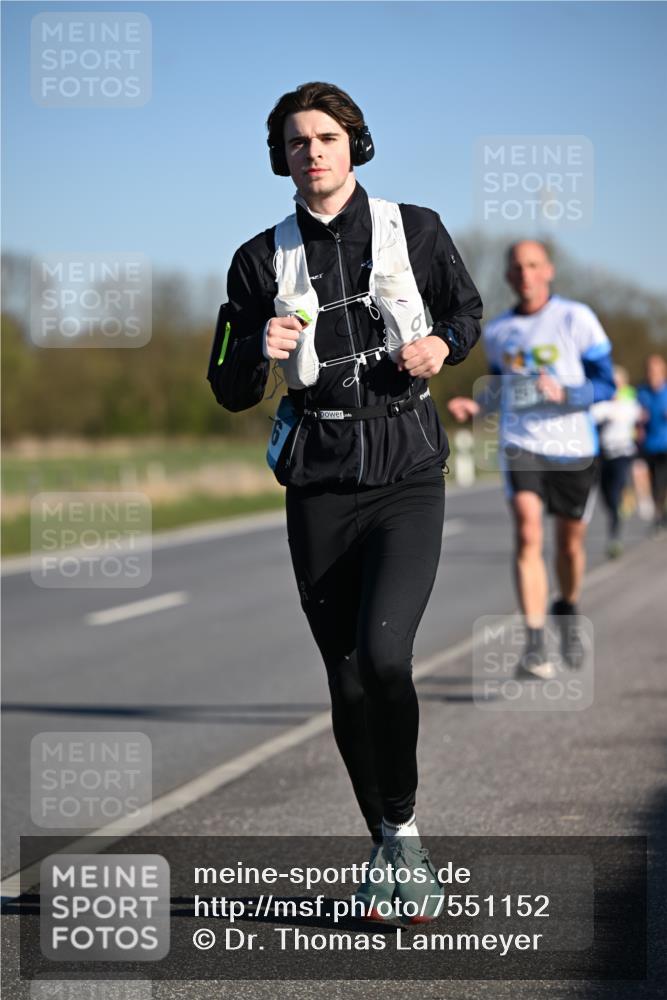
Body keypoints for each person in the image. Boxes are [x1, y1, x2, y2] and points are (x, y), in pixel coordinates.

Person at [207, 82, 482, 922]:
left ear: (353, 144)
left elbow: (466, 312)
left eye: (326, 137)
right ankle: (388, 845)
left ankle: (401, 831)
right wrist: (256, 346)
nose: (312, 152)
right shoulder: (260, 258)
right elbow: (225, 383)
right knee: (348, 677)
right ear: (281, 158)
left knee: (386, 656)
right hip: (320, 481)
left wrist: (441, 344)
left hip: (405, 471)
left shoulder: (417, 228)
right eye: (296, 142)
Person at [448, 241, 615, 680]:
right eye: (517, 267)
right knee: (527, 532)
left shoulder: (575, 318)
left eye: (533, 265)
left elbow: (608, 384)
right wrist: (477, 405)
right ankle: (536, 642)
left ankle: (568, 605)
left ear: (548, 271)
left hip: (575, 448)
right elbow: (502, 387)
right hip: (522, 443)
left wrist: (571, 394)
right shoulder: (500, 331)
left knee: (569, 546)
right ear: (508, 276)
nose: (525, 273)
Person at [591, 366, 642, 558]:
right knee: (606, 497)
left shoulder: (630, 404)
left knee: (615, 491)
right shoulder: (601, 405)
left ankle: (615, 536)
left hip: (623, 453)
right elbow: (592, 417)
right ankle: (619, 503)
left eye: (618, 382)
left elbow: (638, 416)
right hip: (604, 455)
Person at [637, 354, 667, 532]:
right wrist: (639, 421)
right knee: (656, 483)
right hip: (649, 445)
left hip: (666, 444)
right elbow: (633, 416)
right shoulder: (642, 392)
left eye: (655, 369)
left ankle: (660, 514)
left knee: (662, 480)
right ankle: (660, 514)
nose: (652, 372)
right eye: (649, 369)